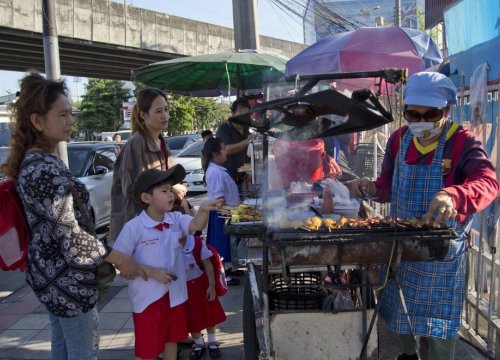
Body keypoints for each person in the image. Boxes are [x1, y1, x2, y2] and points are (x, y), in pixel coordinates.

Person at [346, 72, 499, 360]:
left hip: (442, 255)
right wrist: (369, 188)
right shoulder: (398, 140)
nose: (420, 122)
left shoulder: (463, 143)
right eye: (412, 114)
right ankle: (408, 353)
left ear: (447, 111)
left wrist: (454, 195)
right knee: (402, 312)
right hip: (401, 246)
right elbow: (387, 186)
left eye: (431, 114)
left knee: (441, 324)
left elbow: (488, 183)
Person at [0, 72, 145, 360]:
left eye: (70, 113)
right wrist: (117, 257)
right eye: (62, 114)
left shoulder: (38, 160)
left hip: (50, 274)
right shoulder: (42, 167)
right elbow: (68, 233)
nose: (71, 121)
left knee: (64, 348)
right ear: (37, 121)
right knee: (83, 351)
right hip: (66, 279)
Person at [113, 166, 223, 360]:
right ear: (146, 198)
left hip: (176, 296)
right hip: (149, 300)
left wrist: (204, 209)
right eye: (164, 191)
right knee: (147, 350)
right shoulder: (134, 227)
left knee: (171, 341)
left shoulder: (175, 219)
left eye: (170, 190)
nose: (171, 195)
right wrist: (151, 272)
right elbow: (119, 260)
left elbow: (196, 225)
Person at [109, 88, 187, 242]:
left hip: (159, 221)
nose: (165, 115)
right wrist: (171, 189)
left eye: (166, 109)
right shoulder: (137, 142)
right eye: (158, 111)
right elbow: (130, 188)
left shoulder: (162, 141)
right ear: (143, 115)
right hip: (139, 224)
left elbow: (167, 177)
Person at [202, 137, 241, 286]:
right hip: (222, 213)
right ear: (214, 154)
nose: (226, 152)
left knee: (229, 244)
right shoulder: (215, 172)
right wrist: (232, 212)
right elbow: (219, 199)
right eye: (223, 150)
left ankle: (228, 269)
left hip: (229, 211)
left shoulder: (218, 170)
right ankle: (222, 273)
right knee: (221, 244)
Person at [183, 235, 226, 359]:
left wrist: (211, 286)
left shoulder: (196, 243)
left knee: (208, 313)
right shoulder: (168, 244)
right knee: (190, 316)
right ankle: (198, 343)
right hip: (183, 287)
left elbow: (208, 264)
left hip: (201, 284)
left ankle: (212, 341)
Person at [215, 98, 253, 191]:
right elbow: (227, 149)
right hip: (228, 179)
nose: (244, 117)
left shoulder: (246, 129)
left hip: (243, 178)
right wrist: (247, 141)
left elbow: (247, 153)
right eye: (241, 114)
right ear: (233, 113)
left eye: (246, 115)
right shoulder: (224, 129)